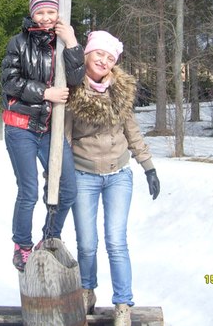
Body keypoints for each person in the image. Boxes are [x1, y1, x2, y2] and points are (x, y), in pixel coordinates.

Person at [65, 30, 160, 326]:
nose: (103, 61)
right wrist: (57, 176)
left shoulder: (121, 90)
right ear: (87, 54)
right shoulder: (72, 89)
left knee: (116, 241)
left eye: (110, 57)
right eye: (99, 54)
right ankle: (87, 291)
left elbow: (132, 131)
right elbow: (63, 138)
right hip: (83, 175)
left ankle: (122, 304)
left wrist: (149, 167)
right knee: (87, 243)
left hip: (118, 175)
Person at [1, 0, 85, 272]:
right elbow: (10, 82)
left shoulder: (62, 42)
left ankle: (49, 237)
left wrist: (72, 43)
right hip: (21, 126)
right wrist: (45, 93)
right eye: (40, 12)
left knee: (68, 189)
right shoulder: (18, 43)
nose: (46, 17)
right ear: (32, 13)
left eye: (51, 11)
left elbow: (75, 80)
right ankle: (22, 246)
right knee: (29, 190)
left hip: (50, 128)